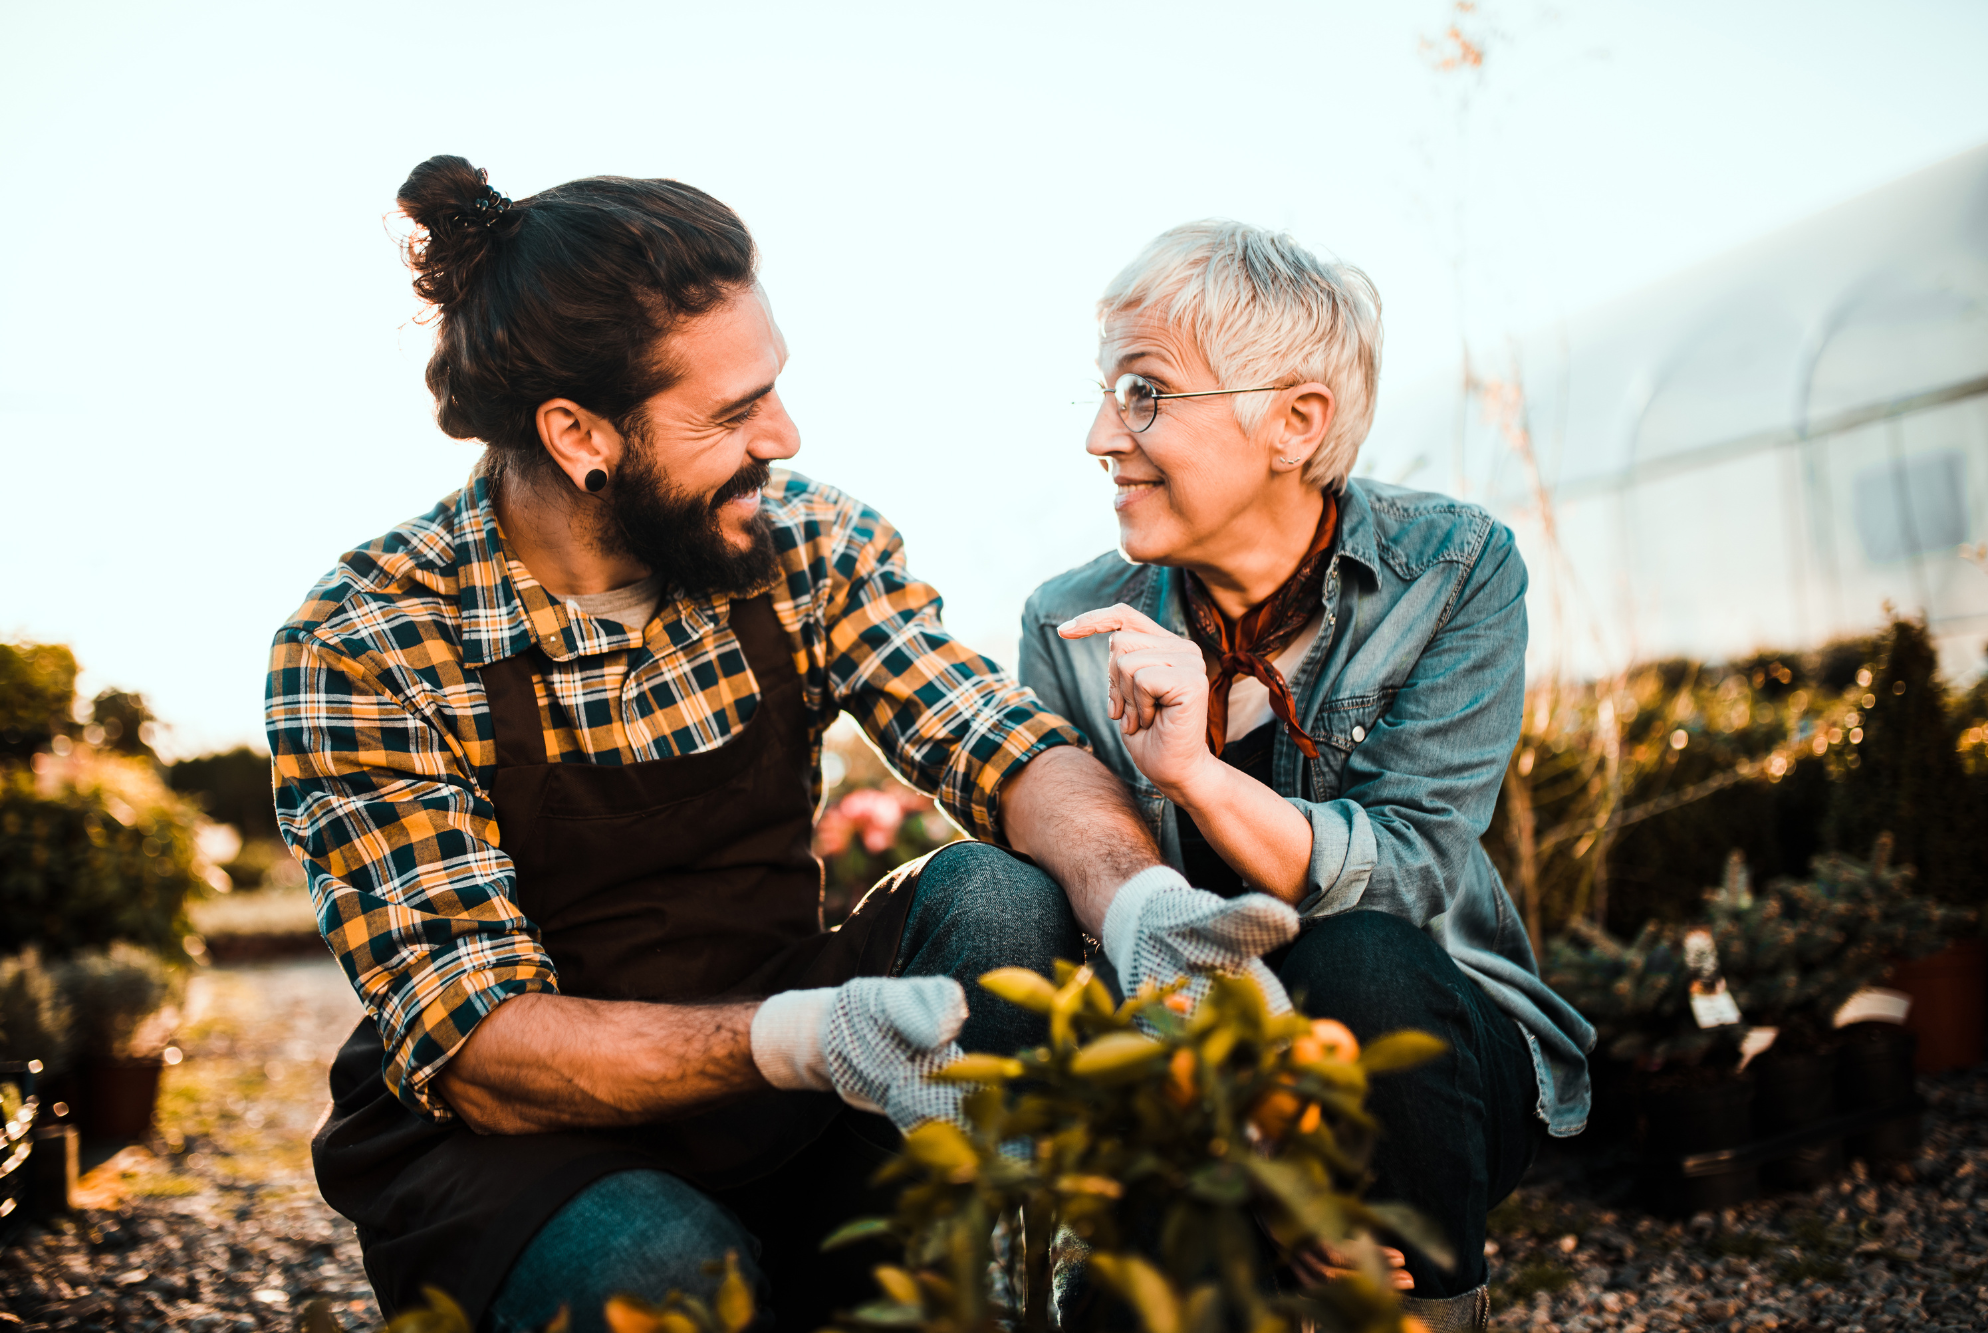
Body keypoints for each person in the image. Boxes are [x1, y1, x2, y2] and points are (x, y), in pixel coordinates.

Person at [266, 159, 1298, 1332]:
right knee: (664, 1266)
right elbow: (480, 1045)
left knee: (998, 896)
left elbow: (995, 738)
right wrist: (808, 1037)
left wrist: (1137, 903)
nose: (784, 433)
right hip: (525, 1148)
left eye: (775, 387)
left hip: (786, 1078)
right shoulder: (369, 639)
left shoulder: (800, 541)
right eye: (729, 412)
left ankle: (979, 1289)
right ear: (577, 434)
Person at [1019, 221, 1596, 1328]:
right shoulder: (1070, 623)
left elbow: (1412, 872)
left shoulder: (1450, 571)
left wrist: (1193, 772)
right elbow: (1098, 922)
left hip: (1426, 1061)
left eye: (1143, 393)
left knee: (1365, 955)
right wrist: (1261, 1156)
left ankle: (1430, 1306)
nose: (1100, 433)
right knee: (1121, 1297)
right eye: (1103, 391)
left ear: (1294, 421)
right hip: (1192, 1056)